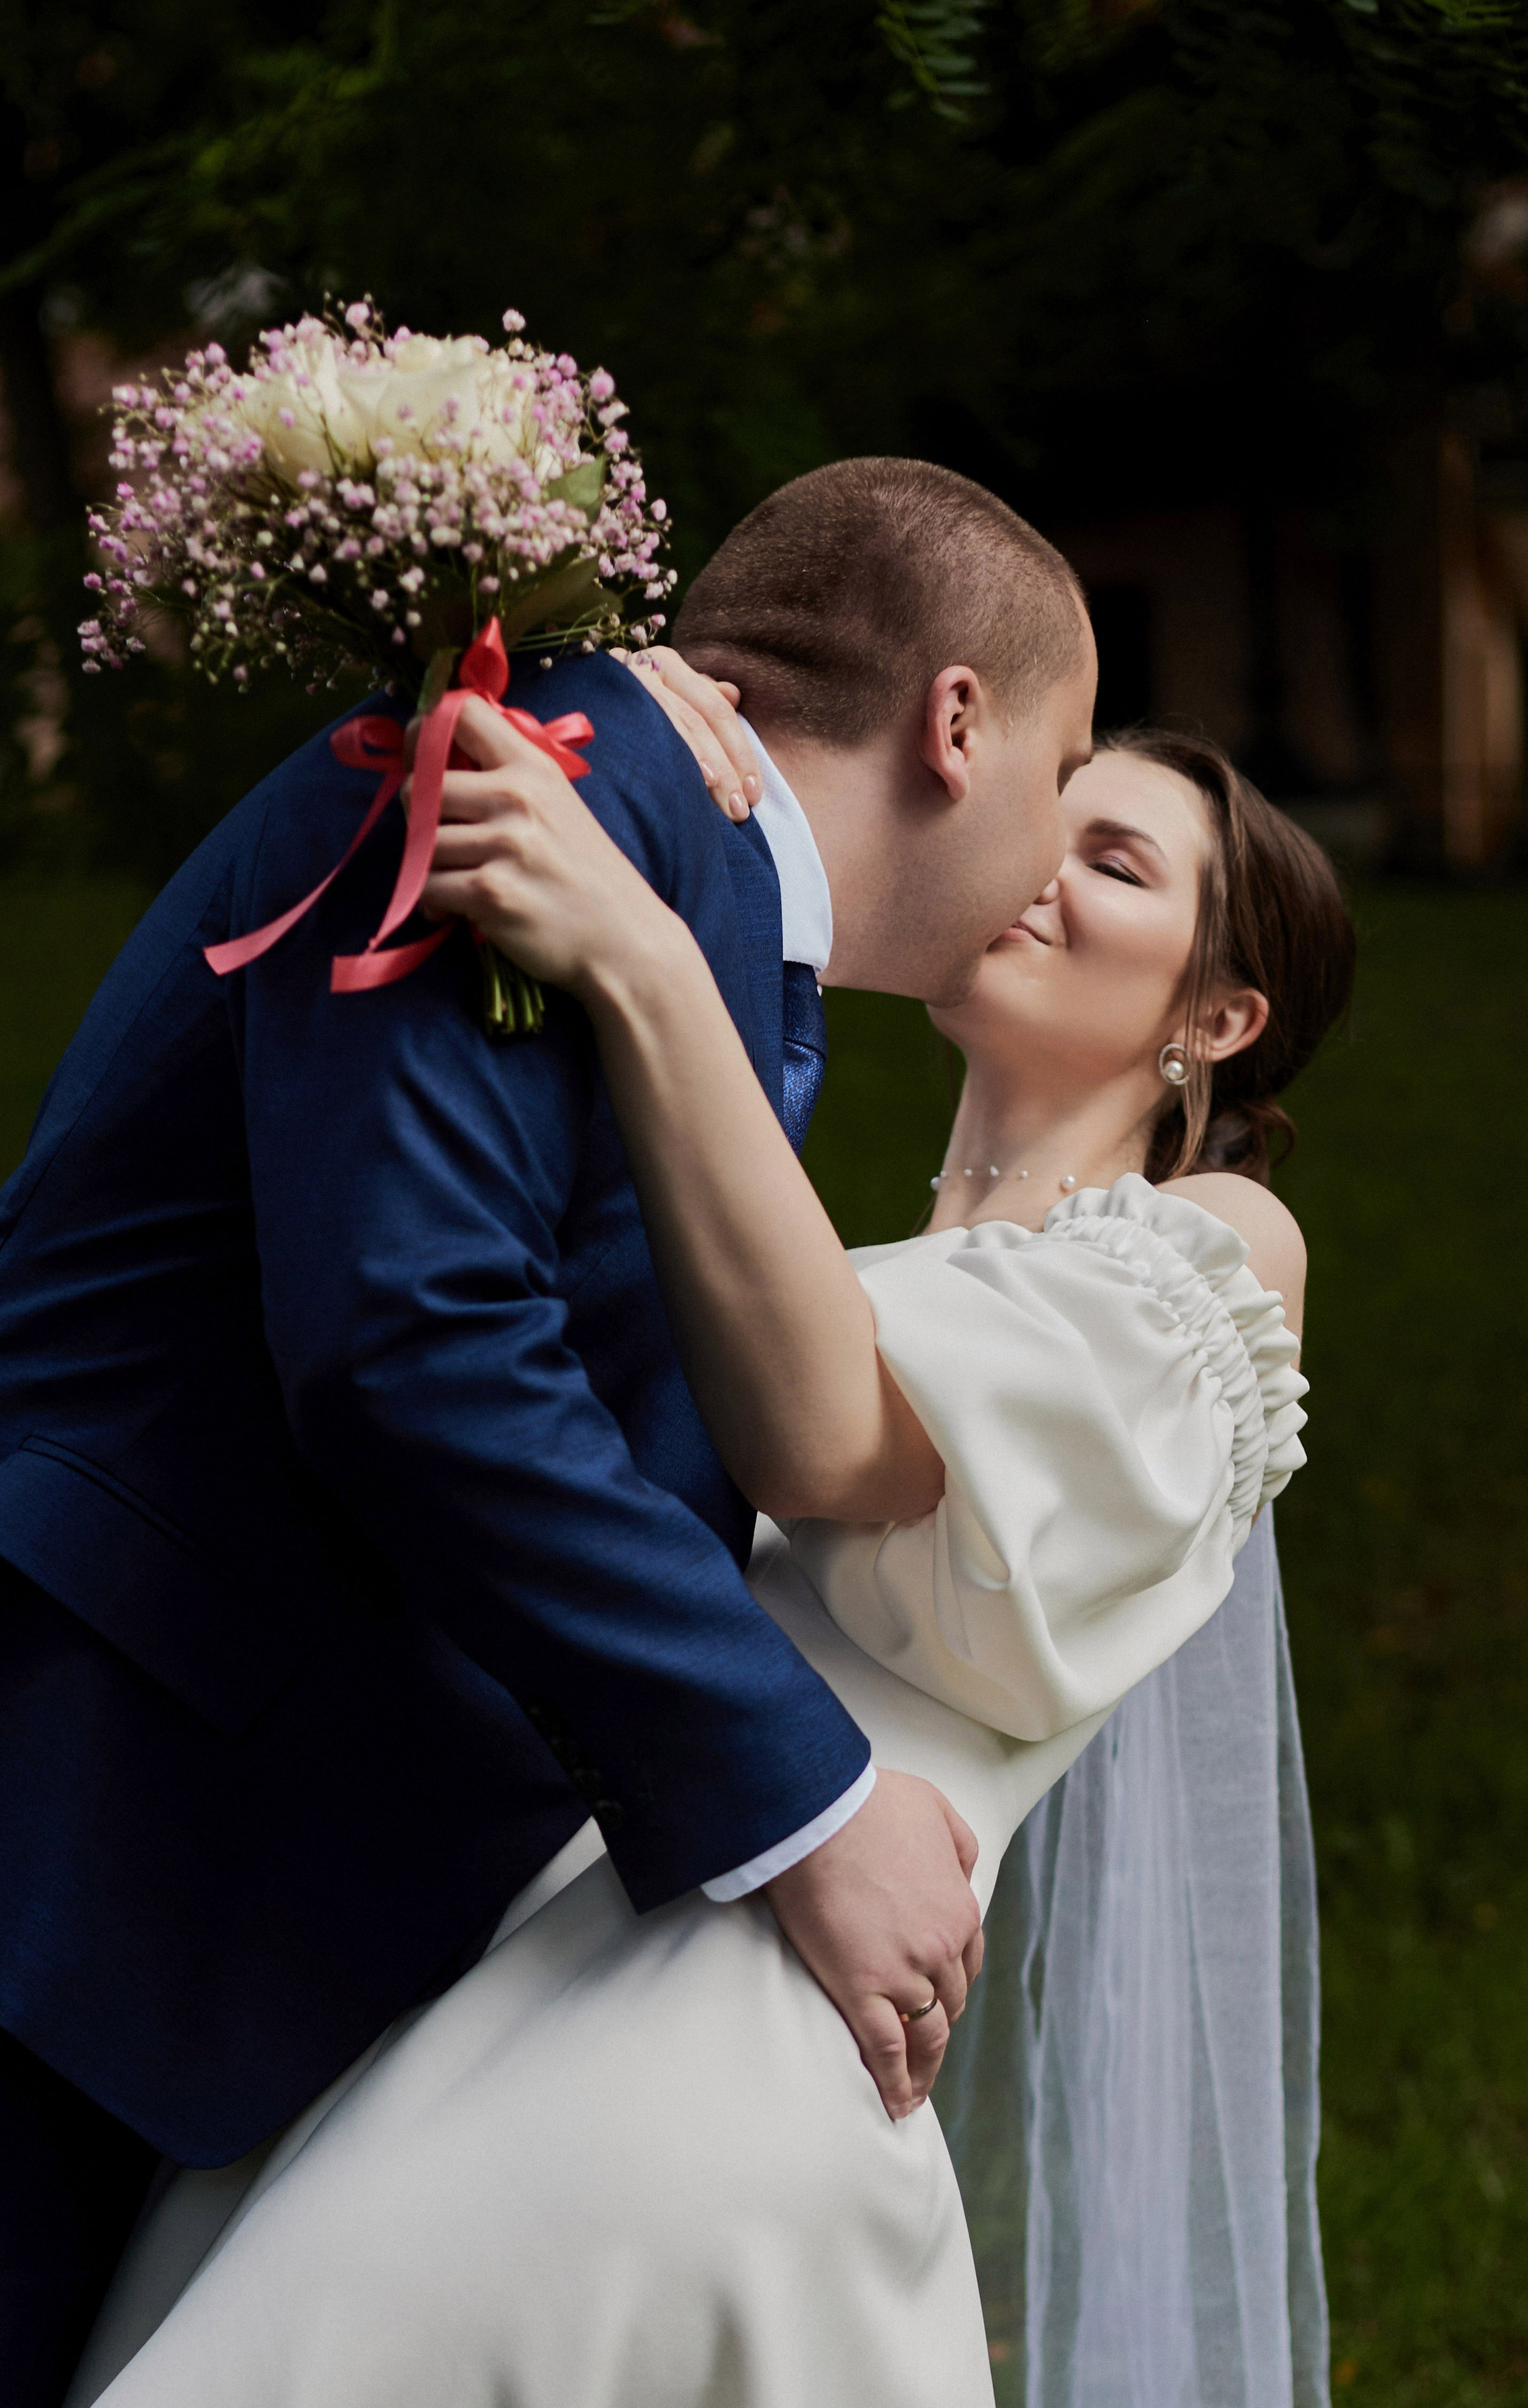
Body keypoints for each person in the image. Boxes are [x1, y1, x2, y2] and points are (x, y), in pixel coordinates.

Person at [67, 662, 1353, 2405]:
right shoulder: (847, 1267)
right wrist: (696, 739)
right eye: (1046, 821)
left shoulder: (1222, 1253)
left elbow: (827, 1444)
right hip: (573, 1934)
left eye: (1115, 863)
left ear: (1220, 1016)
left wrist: (643, 947)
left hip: (739, 2017)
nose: (1041, 866)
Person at [0, 457, 1097, 2408]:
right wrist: (806, 1803)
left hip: (226, 1852)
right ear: (958, 723)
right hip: (92, 1790)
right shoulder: (537, 775)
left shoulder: (669, 858)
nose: (1063, 832)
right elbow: (418, 1338)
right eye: (1068, 761)